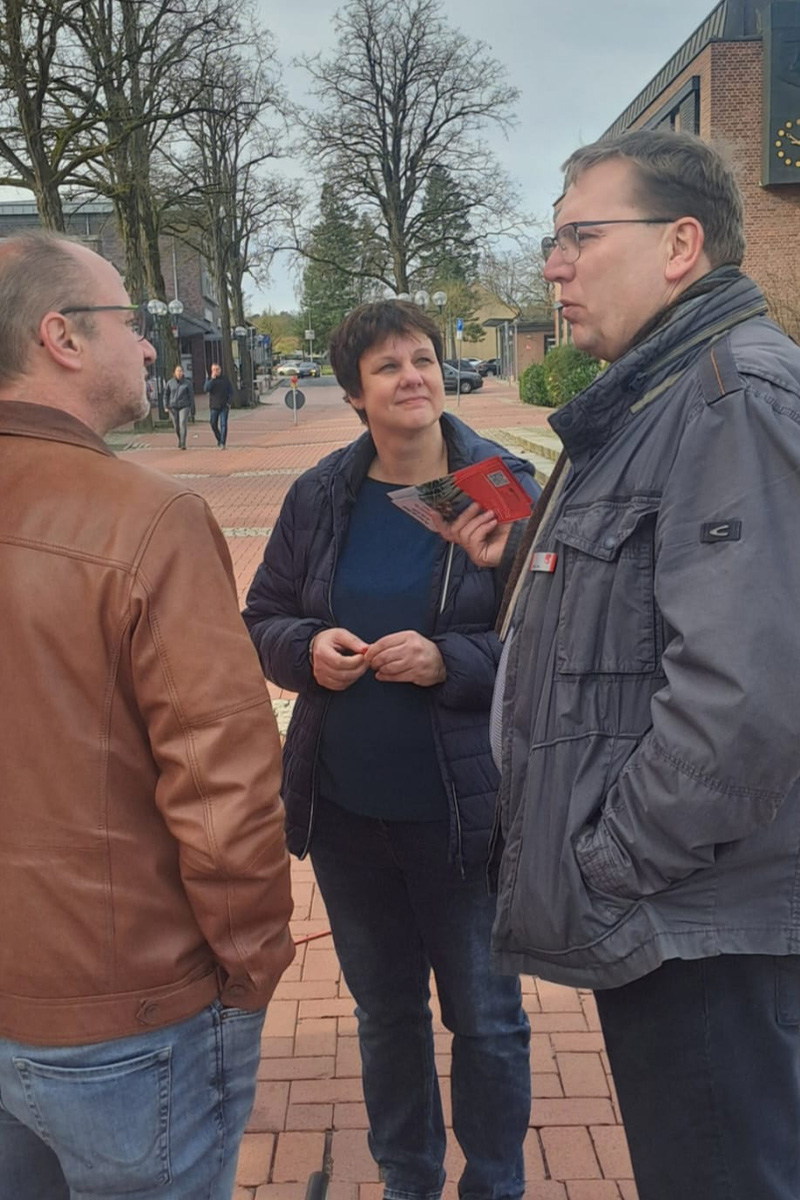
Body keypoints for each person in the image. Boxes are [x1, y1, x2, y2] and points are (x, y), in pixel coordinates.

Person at [439, 128, 800, 1200]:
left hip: (695, 925)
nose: (552, 266)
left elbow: (744, 702)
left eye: (577, 237)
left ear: (679, 243)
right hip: (678, 916)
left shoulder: (727, 397)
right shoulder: (653, 401)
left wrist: (610, 861)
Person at [0, 232, 294, 1200]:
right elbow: (225, 787)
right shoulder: (147, 519)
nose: (153, 348)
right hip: (134, 1021)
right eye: (133, 321)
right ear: (63, 338)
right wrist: (249, 970)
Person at [243, 300, 537, 1200]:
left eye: (424, 358)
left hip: (464, 817)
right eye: (388, 366)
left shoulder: (498, 481)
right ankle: (408, 1179)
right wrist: (308, 649)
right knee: (387, 1018)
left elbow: (548, 641)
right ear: (352, 394)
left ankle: (494, 1185)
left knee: (486, 1022)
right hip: (347, 815)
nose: (413, 375)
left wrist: (449, 657)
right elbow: (264, 616)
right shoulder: (322, 493)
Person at [205, 361, 234, 448]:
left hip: (224, 406)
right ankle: (219, 438)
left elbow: (231, 391)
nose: (216, 371)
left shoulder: (225, 379)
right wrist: (212, 380)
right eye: (213, 370)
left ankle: (222, 443)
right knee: (213, 423)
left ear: (220, 370)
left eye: (217, 369)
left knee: (223, 424)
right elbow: (206, 389)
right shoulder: (210, 380)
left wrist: (229, 402)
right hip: (214, 406)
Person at [164, 363, 193, 449]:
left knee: (182, 423)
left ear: (183, 372)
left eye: (180, 371)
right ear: (174, 373)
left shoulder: (187, 383)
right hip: (173, 407)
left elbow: (191, 396)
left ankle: (183, 443)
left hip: (184, 406)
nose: (179, 373)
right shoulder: (170, 383)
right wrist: (166, 405)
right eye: (177, 371)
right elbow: (166, 395)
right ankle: (180, 439)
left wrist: (192, 408)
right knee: (176, 427)